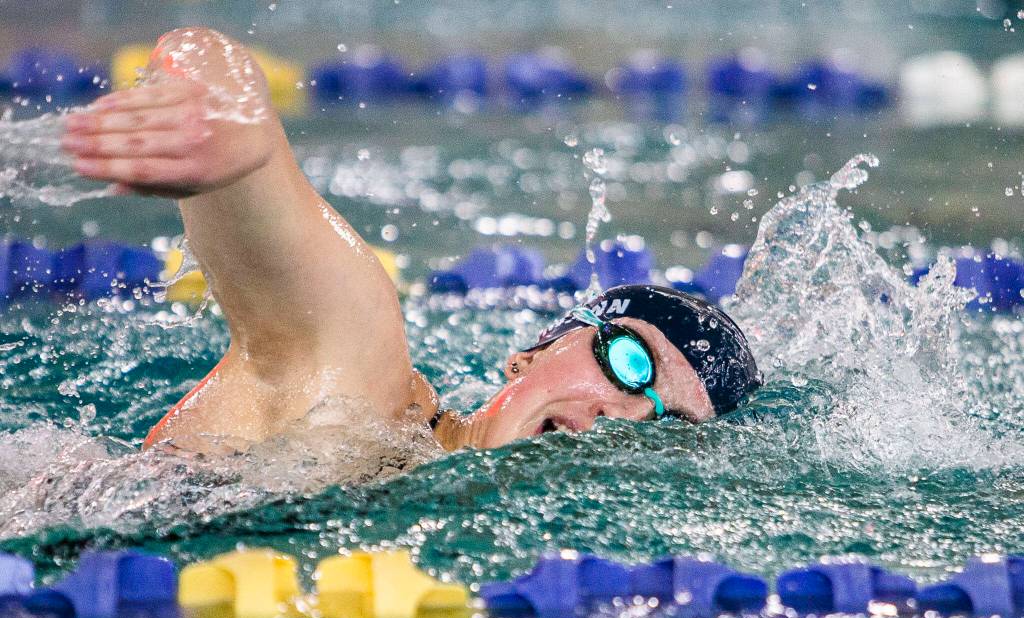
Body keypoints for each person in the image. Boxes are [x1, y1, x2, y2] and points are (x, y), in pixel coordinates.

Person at [59, 28, 761, 455]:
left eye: (669, 427)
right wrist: (223, 117)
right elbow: (206, 59)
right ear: (531, 354)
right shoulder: (353, 389)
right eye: (630, 361)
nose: (626, 414)